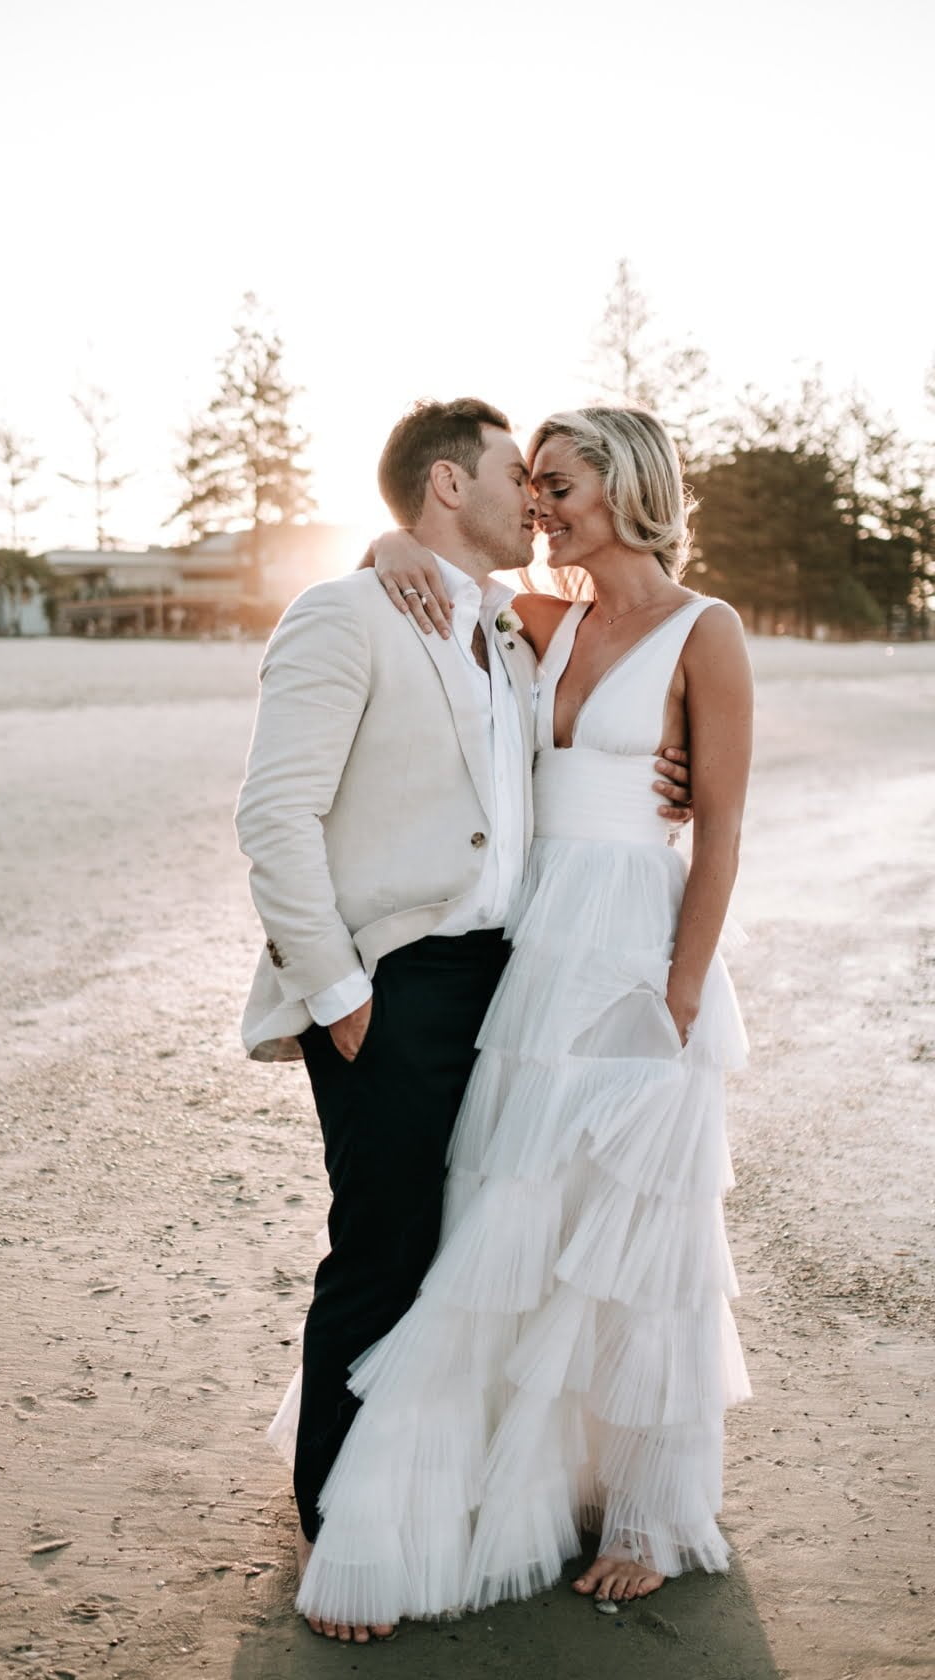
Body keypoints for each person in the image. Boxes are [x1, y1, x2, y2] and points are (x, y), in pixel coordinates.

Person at [234, 399, 693, 1644]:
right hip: (391, 984)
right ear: (447, 484)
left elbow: (593, 734)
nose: (531, 499)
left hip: (516, 974)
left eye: (548, 484)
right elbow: (274, 816)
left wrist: (660, 778)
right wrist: (339, 996)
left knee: (481, 1246)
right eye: (511, 474)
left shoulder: (505, 623)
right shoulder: (345, 613)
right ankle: (338, 1525)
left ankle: (455, 1488)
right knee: (381, 1249)